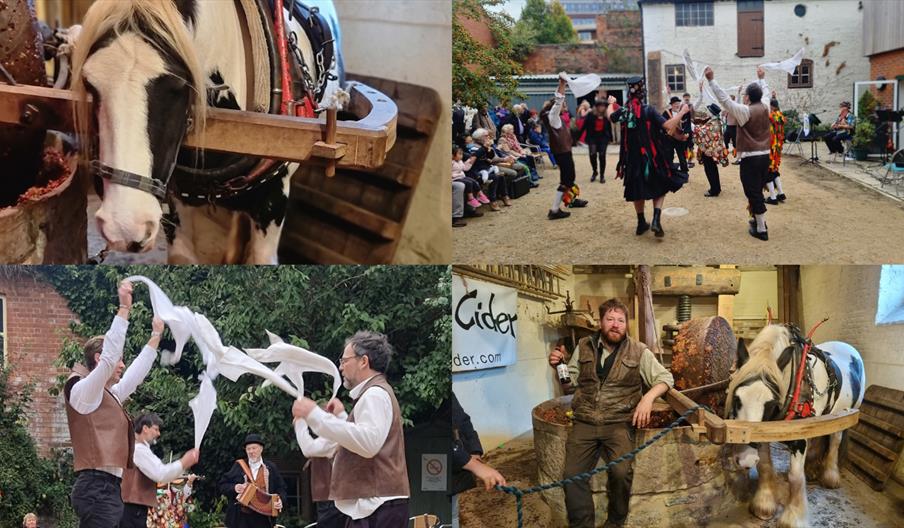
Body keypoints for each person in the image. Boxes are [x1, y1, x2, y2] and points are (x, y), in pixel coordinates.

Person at [548, 299, 674, 528]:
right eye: (610, 319)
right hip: (585, 420)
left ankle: (615, 522)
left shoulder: (639, 351)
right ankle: (582, 524)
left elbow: (666, 378)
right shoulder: (584, 345)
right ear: (600, 322)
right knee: (571, 475)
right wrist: (559, 366)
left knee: (621, 471)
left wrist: (647, 399)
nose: (615, 325)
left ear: (626, 325)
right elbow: (570, 385)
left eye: (620, 320)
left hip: (619, 421)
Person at [66, 280, 162, 528]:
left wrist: (156, 336)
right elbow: (110, 359)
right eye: (120, 360)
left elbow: (135, 376)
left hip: (107, 489)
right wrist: (124, 308)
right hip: (96, 489)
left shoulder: (110, 395)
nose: (121, 365)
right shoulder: (82, 392)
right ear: (98, 359)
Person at [293, 331, 410, 527]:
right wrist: (341, 416)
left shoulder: (374, 394)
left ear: (363, 361)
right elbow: (363, 436)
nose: (340, 367)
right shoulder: (374, 393)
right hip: (376, 506)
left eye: (344, 360)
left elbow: (368, 443)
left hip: (378, 507)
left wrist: (314, 414)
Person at [606, 77, 689, 237]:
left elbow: (611, 116)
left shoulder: (624, 111)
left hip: (632, 161)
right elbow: (667, 126)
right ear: (642, 91)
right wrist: (683, 112)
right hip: (651, 159)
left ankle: (640, 223)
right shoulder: (648, 110)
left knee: (638, 189)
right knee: (660, 186)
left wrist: (611, 103)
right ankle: (656, 219)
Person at [706, 65, 772, 241]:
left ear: (748, 97)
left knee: (753, 193)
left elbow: (725, 100)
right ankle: (757, 221)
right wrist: (762, 78)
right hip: (765, 156)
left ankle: (761, 229)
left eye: (745, 95)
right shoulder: (766, 106)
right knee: (757, 190)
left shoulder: (745, 111)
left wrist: (711, 80)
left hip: (751, 158)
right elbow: (765, 92)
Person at [120, 414, 200, 528]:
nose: (158, 433)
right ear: (145, 429)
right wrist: (184, 462)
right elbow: (160, 474)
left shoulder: (135, 447)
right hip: (131, 509)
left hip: (131, 508)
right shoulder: (139, 449)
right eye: (156, 429)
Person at [451, 393, 506, 528]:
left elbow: (462, 419)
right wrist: (474, 466)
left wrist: (474, 450)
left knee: (452, 512)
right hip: (435, 464)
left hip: (454, 469)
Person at [540, 73, 589, 220]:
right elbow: (559, 100)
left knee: (569, 178)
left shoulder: (556, 117)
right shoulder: (553, 117)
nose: (565, 106)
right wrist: (562, 84)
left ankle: (571, 200)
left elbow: (558, 100)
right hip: (562, 152)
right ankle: (554, 210)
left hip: (563, 151)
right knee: (566, 180)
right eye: (564, 105)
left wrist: (562, 84)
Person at [218, 434, 287, 528]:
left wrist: (280, 500)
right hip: (241, 518)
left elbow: (281, 488)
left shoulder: (271, 468)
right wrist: (235, 488)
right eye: (248, 449)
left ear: (261, 449)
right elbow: (223, 484)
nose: (251, 451)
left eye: (254, 448)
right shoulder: (239, 466)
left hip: (264, 518)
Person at [580, 99, 612, 183]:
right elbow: (584, 126)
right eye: (600, 106)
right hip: (592, 137)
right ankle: (595, 171)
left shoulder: (606, 116)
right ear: (597, 107)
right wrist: (577, 136)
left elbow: (609, 128)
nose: (602, 108)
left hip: (603, 138)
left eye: (603, 106)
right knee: (592, 154)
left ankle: (602, 175)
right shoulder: (591, 115)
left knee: (602, 155)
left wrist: (610, 138)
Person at [765, 97, 787, 205]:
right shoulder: (781, 116)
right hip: (778, 146)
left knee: (768, 169)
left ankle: (773, 197)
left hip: (771, 146)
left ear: (772, 106)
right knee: (774, 168)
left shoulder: (771, 116)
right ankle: (781, 193)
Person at [662, 97, 689, 173]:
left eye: (678, 103)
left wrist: (686, 131)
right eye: (675, 104)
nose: (677, 105)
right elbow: (663, 124)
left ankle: (684, 171)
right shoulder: (666, 113)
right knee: (669, 155)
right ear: (672, 105)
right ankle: (670, 171)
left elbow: (687, 123)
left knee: (681, 155)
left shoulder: (683, 112)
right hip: (669, 137)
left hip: (680, 137)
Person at [724, 94, 739, 163]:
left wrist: (738, 93)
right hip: (728, 126)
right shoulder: (727, 108)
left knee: (735, 144)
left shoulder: (735, 107)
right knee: (725, 142)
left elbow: (738, 101)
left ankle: (738, 159)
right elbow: (723, 115)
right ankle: (725, 157)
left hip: (734, 127)